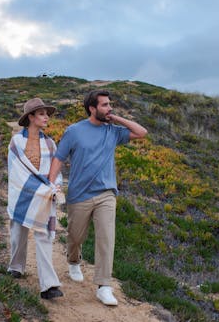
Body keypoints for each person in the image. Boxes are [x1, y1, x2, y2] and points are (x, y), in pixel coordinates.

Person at [48, 89, 147, 306]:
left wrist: (116, 118)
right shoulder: (74, 131)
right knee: (75, 236)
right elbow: (59, 158)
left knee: (106, 237)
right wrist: (50, 183)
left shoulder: (113, 131)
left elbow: (141, 132)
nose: (109, 108)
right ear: (92, 108)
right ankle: (73, 261)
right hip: (79, 194)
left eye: (109, 104)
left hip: (106, 194)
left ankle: (104, 286)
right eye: (104, 105)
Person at [7, 97, 64, 300]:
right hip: (22, 193)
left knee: (44, 235)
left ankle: (49, 285)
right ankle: (16, 266)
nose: (46, 117)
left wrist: (55, 185)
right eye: (41, 114)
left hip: (44, 194)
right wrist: (35, 187)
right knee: (18, 233)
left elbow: (55, 168)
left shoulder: (50, 143)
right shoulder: (17, 141)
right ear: (30, 117)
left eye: (46, 114)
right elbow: (16, 171)